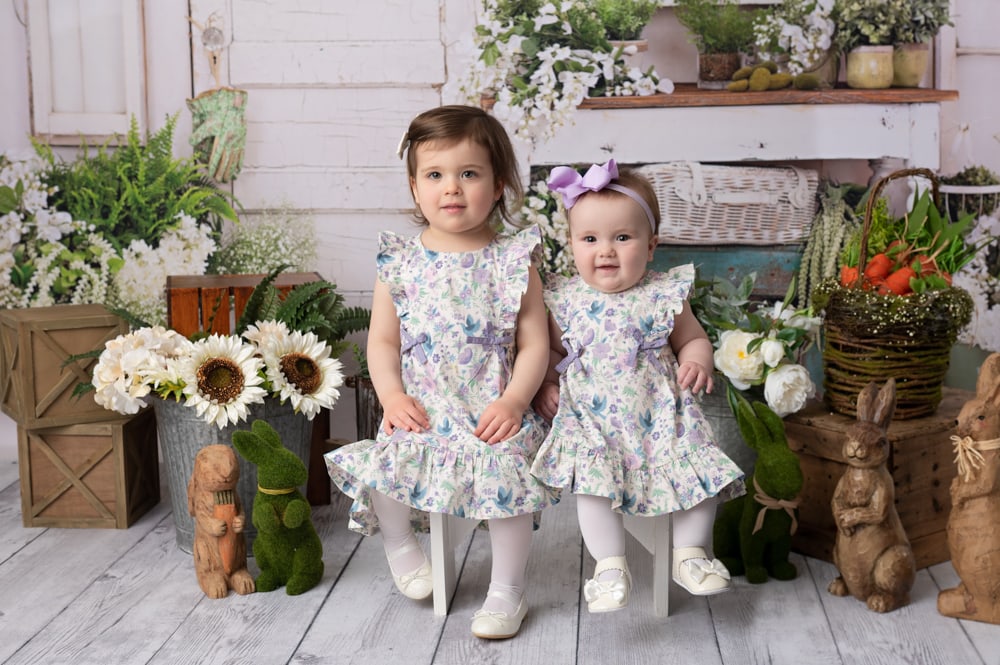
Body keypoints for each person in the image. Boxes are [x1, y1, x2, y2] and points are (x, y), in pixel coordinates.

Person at [325, 105, 558, 639]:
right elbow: (383, 341)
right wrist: (392, 396)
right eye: (435, 175)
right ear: (415, 187)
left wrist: (515, 400)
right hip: (424, 407)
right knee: (389, 461)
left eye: (468, 173)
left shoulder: (513, 261)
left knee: (508, 476)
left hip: (491, 411)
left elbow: (534, 343)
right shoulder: (400, 262)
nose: (451, 187)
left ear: (498, 186)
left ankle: (507, 590)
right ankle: (400, 543)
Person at [531, 159, 745, 613]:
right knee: (593, 492)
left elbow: (692, 338)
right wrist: (546, 384)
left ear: (651, 247)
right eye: (590, 239)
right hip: (595, 423)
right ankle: (610, 565)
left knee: (698, 477)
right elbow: (550, 351)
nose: (605, 251)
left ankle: (690, 553)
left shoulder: (663, 294)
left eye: (622, 238)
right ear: (571, 244)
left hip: (662, 417)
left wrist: (697, 361)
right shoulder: (565, 300)